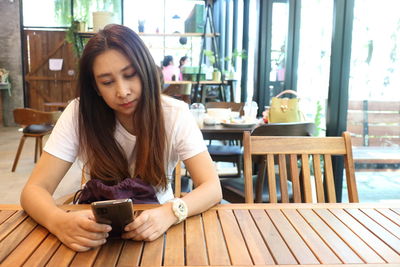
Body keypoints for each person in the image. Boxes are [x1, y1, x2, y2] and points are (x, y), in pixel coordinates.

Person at [20, 24, 222, 252]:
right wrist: (58, 221)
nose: (122, 91)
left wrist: (171, 211)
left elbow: (212, 187)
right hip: (95, 229)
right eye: (107, 82)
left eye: (129, 75)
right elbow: (34, 190)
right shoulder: (79, 113)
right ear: (95, 87)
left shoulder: (174, 114)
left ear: (145, 70)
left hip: (157, 226)